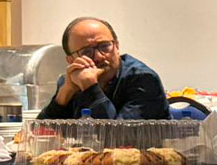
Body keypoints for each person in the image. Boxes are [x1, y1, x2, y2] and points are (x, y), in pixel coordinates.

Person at [38, 17, 169, 119]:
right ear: (71, 60)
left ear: (117, 46)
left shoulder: (144, 79)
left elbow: (118, 138)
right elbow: (39, 133)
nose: (99, 56)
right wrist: (66, 92)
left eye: (105, 46)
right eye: (86, 52)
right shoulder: (72, 80)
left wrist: (90, 87)